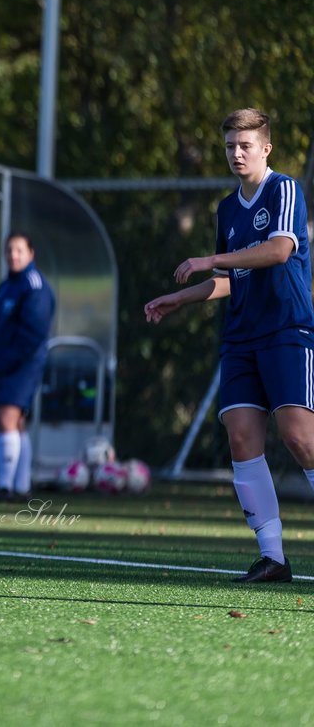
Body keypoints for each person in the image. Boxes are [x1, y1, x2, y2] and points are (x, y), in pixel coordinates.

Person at [145, 107, 314, 584]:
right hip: (240, 337)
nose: (236, 154)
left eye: (245, 145)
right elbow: (229, 279)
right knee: (241, 437)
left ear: (266, 148)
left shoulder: (283, 189)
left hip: (286, 329)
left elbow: (280, 250)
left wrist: (208, 258)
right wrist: (181, 297)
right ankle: (273, 557)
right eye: (229, 146)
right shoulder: (226, 208)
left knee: (301, 438)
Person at [0, 233, 55, 502]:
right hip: (3, 364)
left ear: (31, 253)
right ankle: (21, 487)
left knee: (7, 419)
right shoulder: (4, 286)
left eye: (19, 250)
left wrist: (8, 360)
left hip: (22, 365)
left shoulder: (34, 285)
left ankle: (6, 487)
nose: (13, 255)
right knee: (15, 422)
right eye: (10, 250)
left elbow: (33, 333)